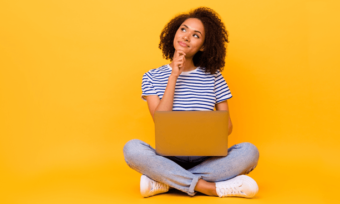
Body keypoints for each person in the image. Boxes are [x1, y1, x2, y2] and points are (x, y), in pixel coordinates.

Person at [123, 7, 260, 198]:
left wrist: (207, 123)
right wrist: (173, 76)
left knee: (249, 152)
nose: (186, 37)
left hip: (206, 158)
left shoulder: (214, 76)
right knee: (132, 149)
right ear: (175, 33)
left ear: (203, 46)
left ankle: (166, 182)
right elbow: (160, 120)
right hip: (168, 158)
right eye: (183, 29)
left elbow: (227, 127)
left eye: (196, 35)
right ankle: (208, 187)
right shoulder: (152, 76)